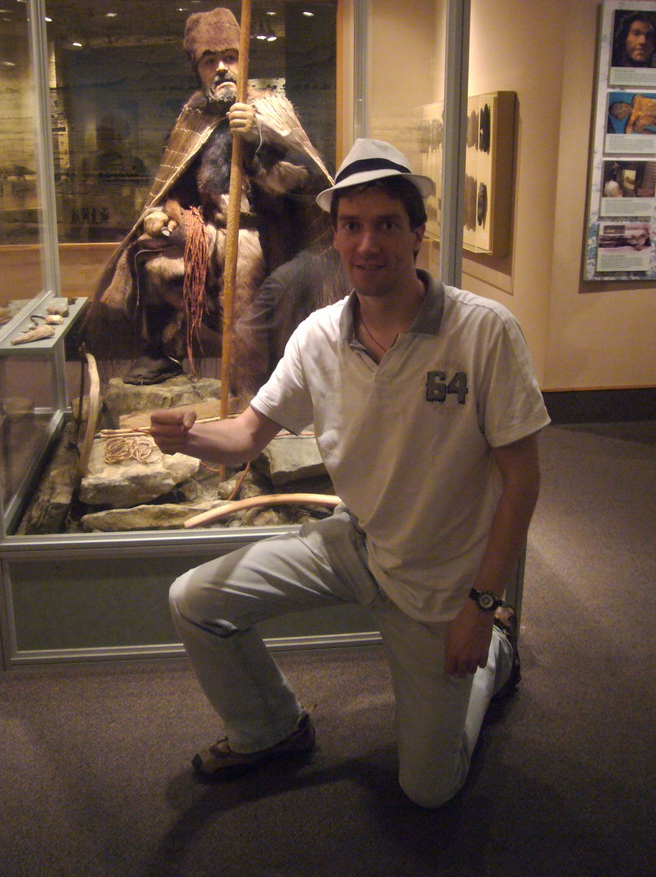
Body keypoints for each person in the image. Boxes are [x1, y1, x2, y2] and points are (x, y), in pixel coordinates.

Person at [151, 138, 551, 809]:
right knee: (196, 602)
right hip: (355, 543)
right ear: (334, 235)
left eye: (387, 224)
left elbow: (523, 480)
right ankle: (270, 727)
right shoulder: (318, 337)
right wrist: (190, 437)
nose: (369, 244)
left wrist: (481, 609)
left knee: (428, 790)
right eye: (353, 225)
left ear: (418, 234)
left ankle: (495, 662)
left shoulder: (484, 334)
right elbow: (248, 435)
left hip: (439, 580)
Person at [83, 7, 332, 389]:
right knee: (148, 252)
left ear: (245, 59)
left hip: (262, 234)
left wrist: (259, 137)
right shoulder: (194, 115)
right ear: (196, 68)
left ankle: (254, 386)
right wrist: (161, 213)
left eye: (230, 57)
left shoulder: (270, 108)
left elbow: (304, 178)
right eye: (209, 60)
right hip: (207, 228)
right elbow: (177, 185)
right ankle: (162, 351)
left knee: (246, 287)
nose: (221, 69)